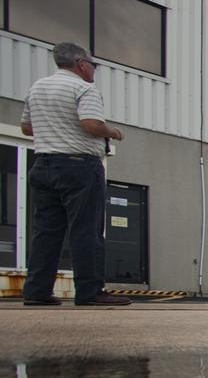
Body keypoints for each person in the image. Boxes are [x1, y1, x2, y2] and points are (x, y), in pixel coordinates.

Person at [20, 42, 130, 306]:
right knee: (86, 230)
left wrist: (55, 132)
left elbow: (26, 128)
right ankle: (90, 292)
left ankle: (37, 292)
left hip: (44, 165)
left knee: (46, 232)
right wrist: (113, 132)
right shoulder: (83, 88)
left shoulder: (37, 88)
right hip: (79, 167)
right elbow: (91, 124)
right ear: (81, 64)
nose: (94, 70)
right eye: (94, 65)